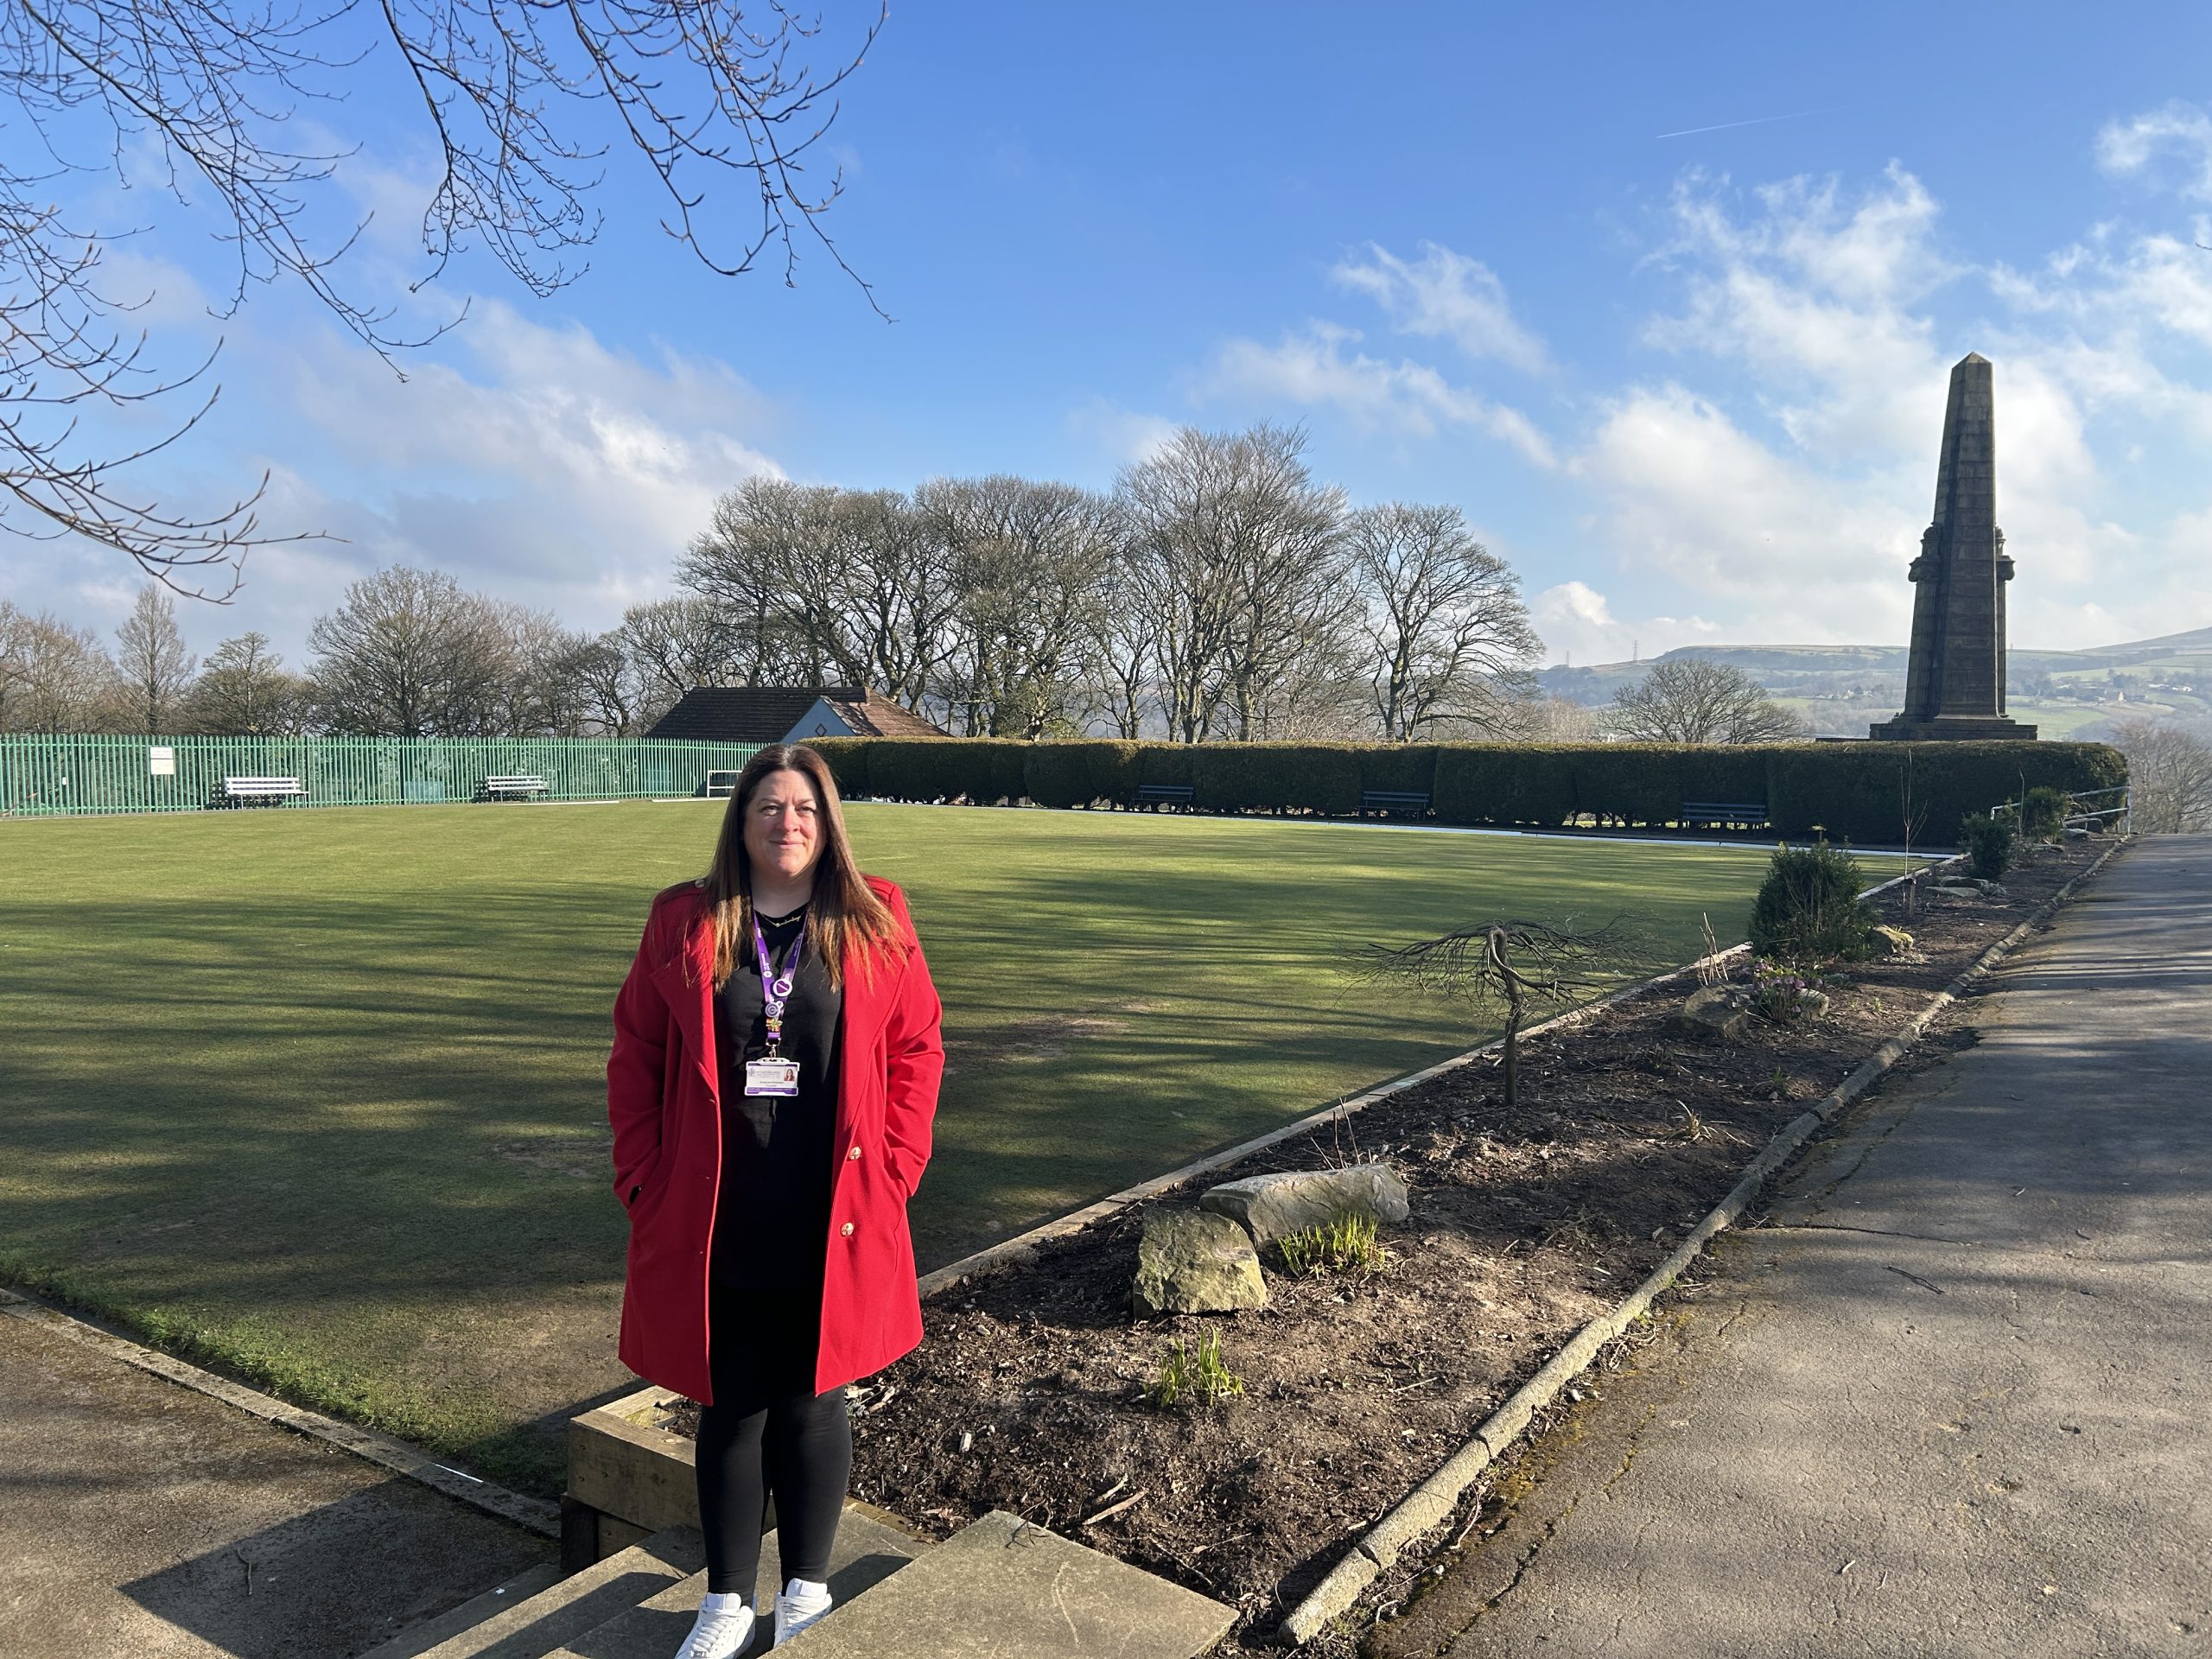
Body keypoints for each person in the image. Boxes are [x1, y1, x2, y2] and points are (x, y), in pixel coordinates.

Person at [607, 743, 944, 1656]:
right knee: (731, 1402)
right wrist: (642, 1177)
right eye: (768, 807)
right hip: (718, 1209)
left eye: (803, 808)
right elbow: (635, 1054)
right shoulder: (686, 919)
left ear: (827, 821)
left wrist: (898, 1167)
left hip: (830, 1206)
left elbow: (917, 1048)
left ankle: (805, 1591)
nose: (786, 823)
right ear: (741, 820)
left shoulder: (873, 915)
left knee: (816, 1400)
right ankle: (725, 1602)